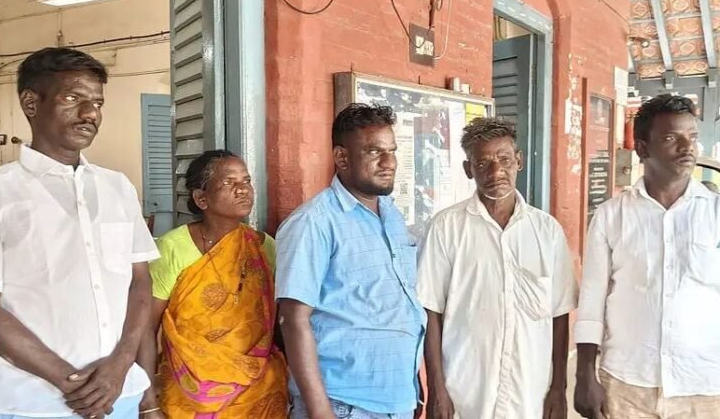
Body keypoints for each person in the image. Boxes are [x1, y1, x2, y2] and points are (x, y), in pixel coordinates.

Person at [0, 47, 159, 419]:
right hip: (34, 404)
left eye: (97, 103)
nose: (90, 114)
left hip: (120, 395)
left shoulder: (117, 187)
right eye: (73, 99)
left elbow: (139, 282)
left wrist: (121, 365)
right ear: (31, 103)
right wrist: (73, 383)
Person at [417, 118, 578, 419]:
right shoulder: (446, 228)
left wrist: (559, 387)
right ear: (468, 169)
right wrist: (437, 389)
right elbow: (431, 312)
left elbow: (559, 315)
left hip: (529, 395)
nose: (496, 172)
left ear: (519, 161)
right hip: (466, 394)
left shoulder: (547, 231)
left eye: (504, 159)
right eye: (483, 163)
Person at [276, 103, 426, 419]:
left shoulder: (391, 215)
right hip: (342, 405)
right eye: (374, 152)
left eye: (392, 151)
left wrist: (411, 386)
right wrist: (320, 411)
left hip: (396, 400)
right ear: (342, 158)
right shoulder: (314, 222)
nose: (389, 162)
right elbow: (293, 320)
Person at [574, 94, 720, 419]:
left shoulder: (715, 213)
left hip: (703, 386)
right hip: (626, 385)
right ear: (642, 148)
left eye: (692, 136)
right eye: (671, 138)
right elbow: (592, 300)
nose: (687, 147)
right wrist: (584, 374)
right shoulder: (612, 216)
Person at [136, 150, 288, 418]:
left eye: (247, 181)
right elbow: (145, 326)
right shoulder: (173, 248)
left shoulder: (264, 247)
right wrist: (148, 401)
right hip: (191, 395)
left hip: (258, 393)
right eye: (229, 182)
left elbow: (279, 323)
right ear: (201, 198)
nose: (243, 189)